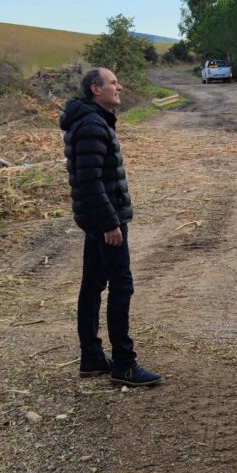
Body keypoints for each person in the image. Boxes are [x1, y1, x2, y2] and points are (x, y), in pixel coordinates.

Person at [60, 67, 162, 387]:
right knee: (121, 286)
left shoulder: (91, 120)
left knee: (92, 285)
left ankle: (91, 357)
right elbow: (89, 181)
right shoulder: (91, 124)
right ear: (95, 89)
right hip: (106, 220)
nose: (119, 87)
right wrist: (109, 223)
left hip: (97, 219)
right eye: (113, 83)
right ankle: (123, 364)